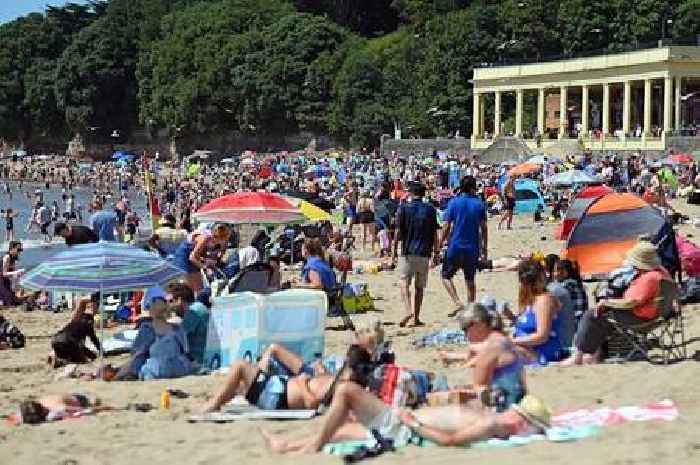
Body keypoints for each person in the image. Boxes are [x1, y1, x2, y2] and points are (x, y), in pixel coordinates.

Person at [261, 390, 551, 453]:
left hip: (402, 426)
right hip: (401, 421)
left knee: (347, 391)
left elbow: (449, 440)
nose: (510, 411)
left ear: (521, 421)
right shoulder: (492, 418)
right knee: (347, 430)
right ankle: (287, 446)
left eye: (517, 412)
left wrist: (413, 423)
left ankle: (306, 448)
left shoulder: (494, 426)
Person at [563, 241, 672, 366]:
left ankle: (578, 355)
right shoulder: (663, 273)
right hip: (658, 315)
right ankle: (593, 354)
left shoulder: (649, 278)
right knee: (600, 316)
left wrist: (607, 303)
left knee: (591, 315)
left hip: (641, 318)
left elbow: (630, 302)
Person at [203, 345, 371, 413]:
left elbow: (312, 403)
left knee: (240, 366)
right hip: (277, 389)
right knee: (240, 382)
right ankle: (219, 399)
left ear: (351, 369)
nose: (342, 365)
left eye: (346, 364)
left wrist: (302, 382)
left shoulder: (338, 388)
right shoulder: (337, 383)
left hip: (276, 395)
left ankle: (214, 404)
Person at [437, 303, 526, 412]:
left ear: (478, 324)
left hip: (504, 413)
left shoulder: (489, 351)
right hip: (519, 405)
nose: (465, 335)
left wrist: (460, 392)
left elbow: (482, 393)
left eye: (465, 329)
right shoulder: (501, 340)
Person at [258, 317, 388, 378]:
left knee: (274, 349)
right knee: (273, 353)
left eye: (358, 334)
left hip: (313, 373)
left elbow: (339, 381)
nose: (355, 337)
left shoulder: (359, 360)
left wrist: (322, 370)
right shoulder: (364, 356)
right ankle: (260, 375)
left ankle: (259, 377)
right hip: (315, 369)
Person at [113, 293, 193, 380]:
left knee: (141, 357)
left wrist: (122, 371)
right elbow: (186, 351)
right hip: (181, 367)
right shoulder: (177, 327)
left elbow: (137, 353)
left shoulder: (147, 327)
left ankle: (126, 374)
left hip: (158, 369)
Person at [392, 182, 440, 327]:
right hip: (424, 252)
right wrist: (436, 252)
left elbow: (398, 232)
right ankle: (416, 317)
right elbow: (434, 233)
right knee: (419, 287)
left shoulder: (404, 208)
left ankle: (408, 311)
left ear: (411, 193)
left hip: (408, 251)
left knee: (404, 282)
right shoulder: (430, 210)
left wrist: (393, 249)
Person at [440, 176, 488, 316]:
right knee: (470, 279)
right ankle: (470, 308)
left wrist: (440, 243)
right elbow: (484, 228)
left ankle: (457, 302)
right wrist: (484, 249)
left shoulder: (454, 202)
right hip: (472, 247)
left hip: (455, 245)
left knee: (446, 276)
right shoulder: (479, 204)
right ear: (473, 188)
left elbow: (446, 226)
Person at [505, 259, 563, 364]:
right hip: (525, 347)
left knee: (495, 350)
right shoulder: (529, 299)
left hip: (541, 351)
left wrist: (512, 341)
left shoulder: (544, 300)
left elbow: (542, 336)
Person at [173, 224, 231, 294]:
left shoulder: (221, 242)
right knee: (190, 287)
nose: (226, 241)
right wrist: (205, 268)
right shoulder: (205, 238)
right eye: (225, 239)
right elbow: (192, 257)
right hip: (184, 255)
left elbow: (212, 255)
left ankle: (198, 301)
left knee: (199, 288)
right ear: (219, 237)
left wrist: (212, 262)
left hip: (196, 256)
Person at [48, 294, 101, 367]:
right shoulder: (87, 325)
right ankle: (61, 361)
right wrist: (99, 352)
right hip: (67, 342)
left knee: (67, 352)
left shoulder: (74, 322)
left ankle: (54, 355)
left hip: (55, 340)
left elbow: (82, 347)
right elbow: (94, 341)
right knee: (83, 361)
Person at [166, 282, 209, 366]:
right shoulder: (194, 309)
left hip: (198, 360)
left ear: (179, 300)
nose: (168, 306)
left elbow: (179, 334)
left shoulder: (196, 309)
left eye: (170, 301)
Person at [10, 393, 111, 425]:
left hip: (80, 399)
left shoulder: (58, 408)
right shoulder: (36, 404)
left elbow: (82, 410)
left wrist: (102, 408)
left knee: (93, 401)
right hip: (66, 397)